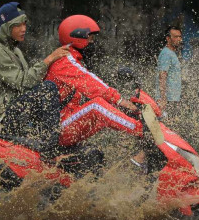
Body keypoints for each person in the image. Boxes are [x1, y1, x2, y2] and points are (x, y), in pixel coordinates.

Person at [44, 15, 148, 168]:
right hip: (57, 129)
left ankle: (136, 151)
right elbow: (92, 83)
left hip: (66, 122)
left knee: (109, 111)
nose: (93, 43)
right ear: (77, 38)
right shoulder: (65, 62)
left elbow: (95, 87)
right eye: (90, 39)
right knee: (97, 106)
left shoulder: (73, 60)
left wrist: (128, 108)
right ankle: (145, 134)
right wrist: (120, 100)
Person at [0, 2, 70, 149]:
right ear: (6, 28)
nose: (23, 29)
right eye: (17, 25)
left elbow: (29, 85)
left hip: (12, 110)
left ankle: (54, 142)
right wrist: (50, 58)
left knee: (59, 92)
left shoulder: (14, 50)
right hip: (0, 118)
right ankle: (49, 146)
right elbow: (24, 82)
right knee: (47, 89)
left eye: (24, 24)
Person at [156, 26, 183, 118]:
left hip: (174, 98)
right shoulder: (166, 54)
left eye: (180, 36)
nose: (179, 39)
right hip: (168, 100)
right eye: (175, 37)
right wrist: (163, 99)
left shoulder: (172, 53)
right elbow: (162, 76)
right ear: (168, 38)